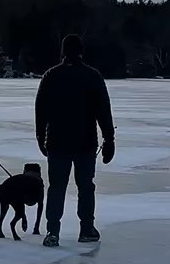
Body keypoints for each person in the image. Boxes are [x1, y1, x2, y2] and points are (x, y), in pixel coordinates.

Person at [34, 33, 115, 247]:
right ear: (81, 51)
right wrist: (109, 139)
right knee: (85, 187)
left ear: (63, 51)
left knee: (57, 186)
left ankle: (52, 231)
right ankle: (86, 228)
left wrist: (40, 135)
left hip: (57, 142)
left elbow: (40, 110)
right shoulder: (92, 76)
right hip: (85, 143)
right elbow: (103, 111)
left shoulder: (51, 75)